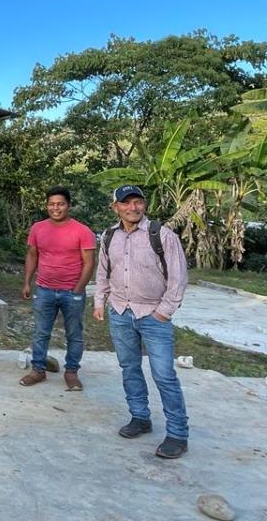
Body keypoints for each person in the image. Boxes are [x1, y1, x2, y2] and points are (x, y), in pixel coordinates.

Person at [94, 184, 190, 459]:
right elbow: (103, 272)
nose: (133, 208)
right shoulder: (109, 236)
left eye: (138, 202)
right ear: (116, 207)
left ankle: (177, 434)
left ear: (144, 205)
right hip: (120, 313)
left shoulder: (162, 235)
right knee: (129, 368)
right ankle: (140, 417)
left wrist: (164, 312)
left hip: (153, 315)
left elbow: (178, 277)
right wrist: (100, 301)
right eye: (126, 203)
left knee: (164, 375)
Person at [19, 186, 96, 390]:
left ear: (69, 206)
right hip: (44, 289)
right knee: (41, 332)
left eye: (60, 204)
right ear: (47, 206)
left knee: (74, 334)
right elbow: (32, 255)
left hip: (72, 292)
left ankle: (71, 373)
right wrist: (27, 282)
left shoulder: (82, 231)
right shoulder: (38, 228)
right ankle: (38, 370)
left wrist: (79, 288)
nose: (56, 208)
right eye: (52, 204)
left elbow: (89, 262)